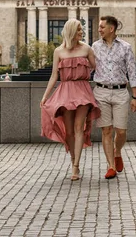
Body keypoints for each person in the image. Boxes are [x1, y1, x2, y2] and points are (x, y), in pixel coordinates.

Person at [40, 18, 101, 181]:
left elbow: (99, 69)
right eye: (79, 29)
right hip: (65, 91)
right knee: (69, 131)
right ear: (72, 31)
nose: (82, 32)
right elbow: (54, 75)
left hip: (82, 90)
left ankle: (76, 167)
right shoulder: (59, 51)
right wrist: (45, 96)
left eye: (82, 29)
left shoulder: (87, 49)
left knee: (79, 127)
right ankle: (73, 159)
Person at [92, 15, 136, 179]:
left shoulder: (126, 47)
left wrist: (135, 97)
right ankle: (111, 166)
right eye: (99, 26)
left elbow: (132, 72)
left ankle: (117, 151)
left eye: (102, 27)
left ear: (111, 29)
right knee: (106, 130)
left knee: (121, 131)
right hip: (101, 92)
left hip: (120, 92)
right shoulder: (95, 47)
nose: (99, 29)